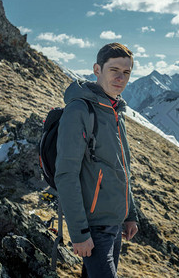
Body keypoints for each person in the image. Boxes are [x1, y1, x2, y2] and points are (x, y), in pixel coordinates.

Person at [54, 43, 138, 277]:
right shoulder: (80, 111)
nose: (121, 78)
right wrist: (80, 234)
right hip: (93, 227)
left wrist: (130, 215)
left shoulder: (115, 111)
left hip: (114, 224)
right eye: (114, 70)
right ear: (97, 69)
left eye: (127, 72)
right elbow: (66, 175)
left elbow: (123, 168)